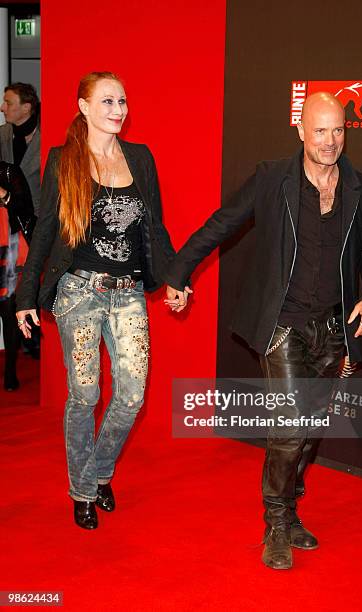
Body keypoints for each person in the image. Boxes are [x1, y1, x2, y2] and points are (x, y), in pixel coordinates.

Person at [164, 92, 362, 570]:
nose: (330, 141)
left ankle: (291, 509)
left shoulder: (360, 189)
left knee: (310, 430)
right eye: (321, 130)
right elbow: (222, 224)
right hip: (282, 324)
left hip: (334, 328)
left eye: (339, 130)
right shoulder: (273, 179)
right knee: (289, 429)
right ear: (301, 132)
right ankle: (277, 523)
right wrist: (178, 272)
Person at [16, 71, 187, 530]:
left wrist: (175, 276)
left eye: (123, 101)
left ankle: (97, 474)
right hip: (79, 293)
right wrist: (25, 294)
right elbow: (46, 230)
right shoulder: (63, 160)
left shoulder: (140, 158)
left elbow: (156, 229)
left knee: (131, 395)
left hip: (128, 292)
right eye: (108, 101)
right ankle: (82, 490)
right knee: (85, 393)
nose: (118, 109)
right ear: (84, 107)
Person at [0, 161, 35, 390]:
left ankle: (10, 371)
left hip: (9, 249)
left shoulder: (8, 171)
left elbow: (26, 209)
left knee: (9, 312)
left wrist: (3, 194)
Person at [0, 82, 40, 216]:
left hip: (37, 218)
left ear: (26, 107)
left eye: (8, 103)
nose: (2, 108)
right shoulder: (2, 134)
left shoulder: (47, 137)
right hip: (7, 216)